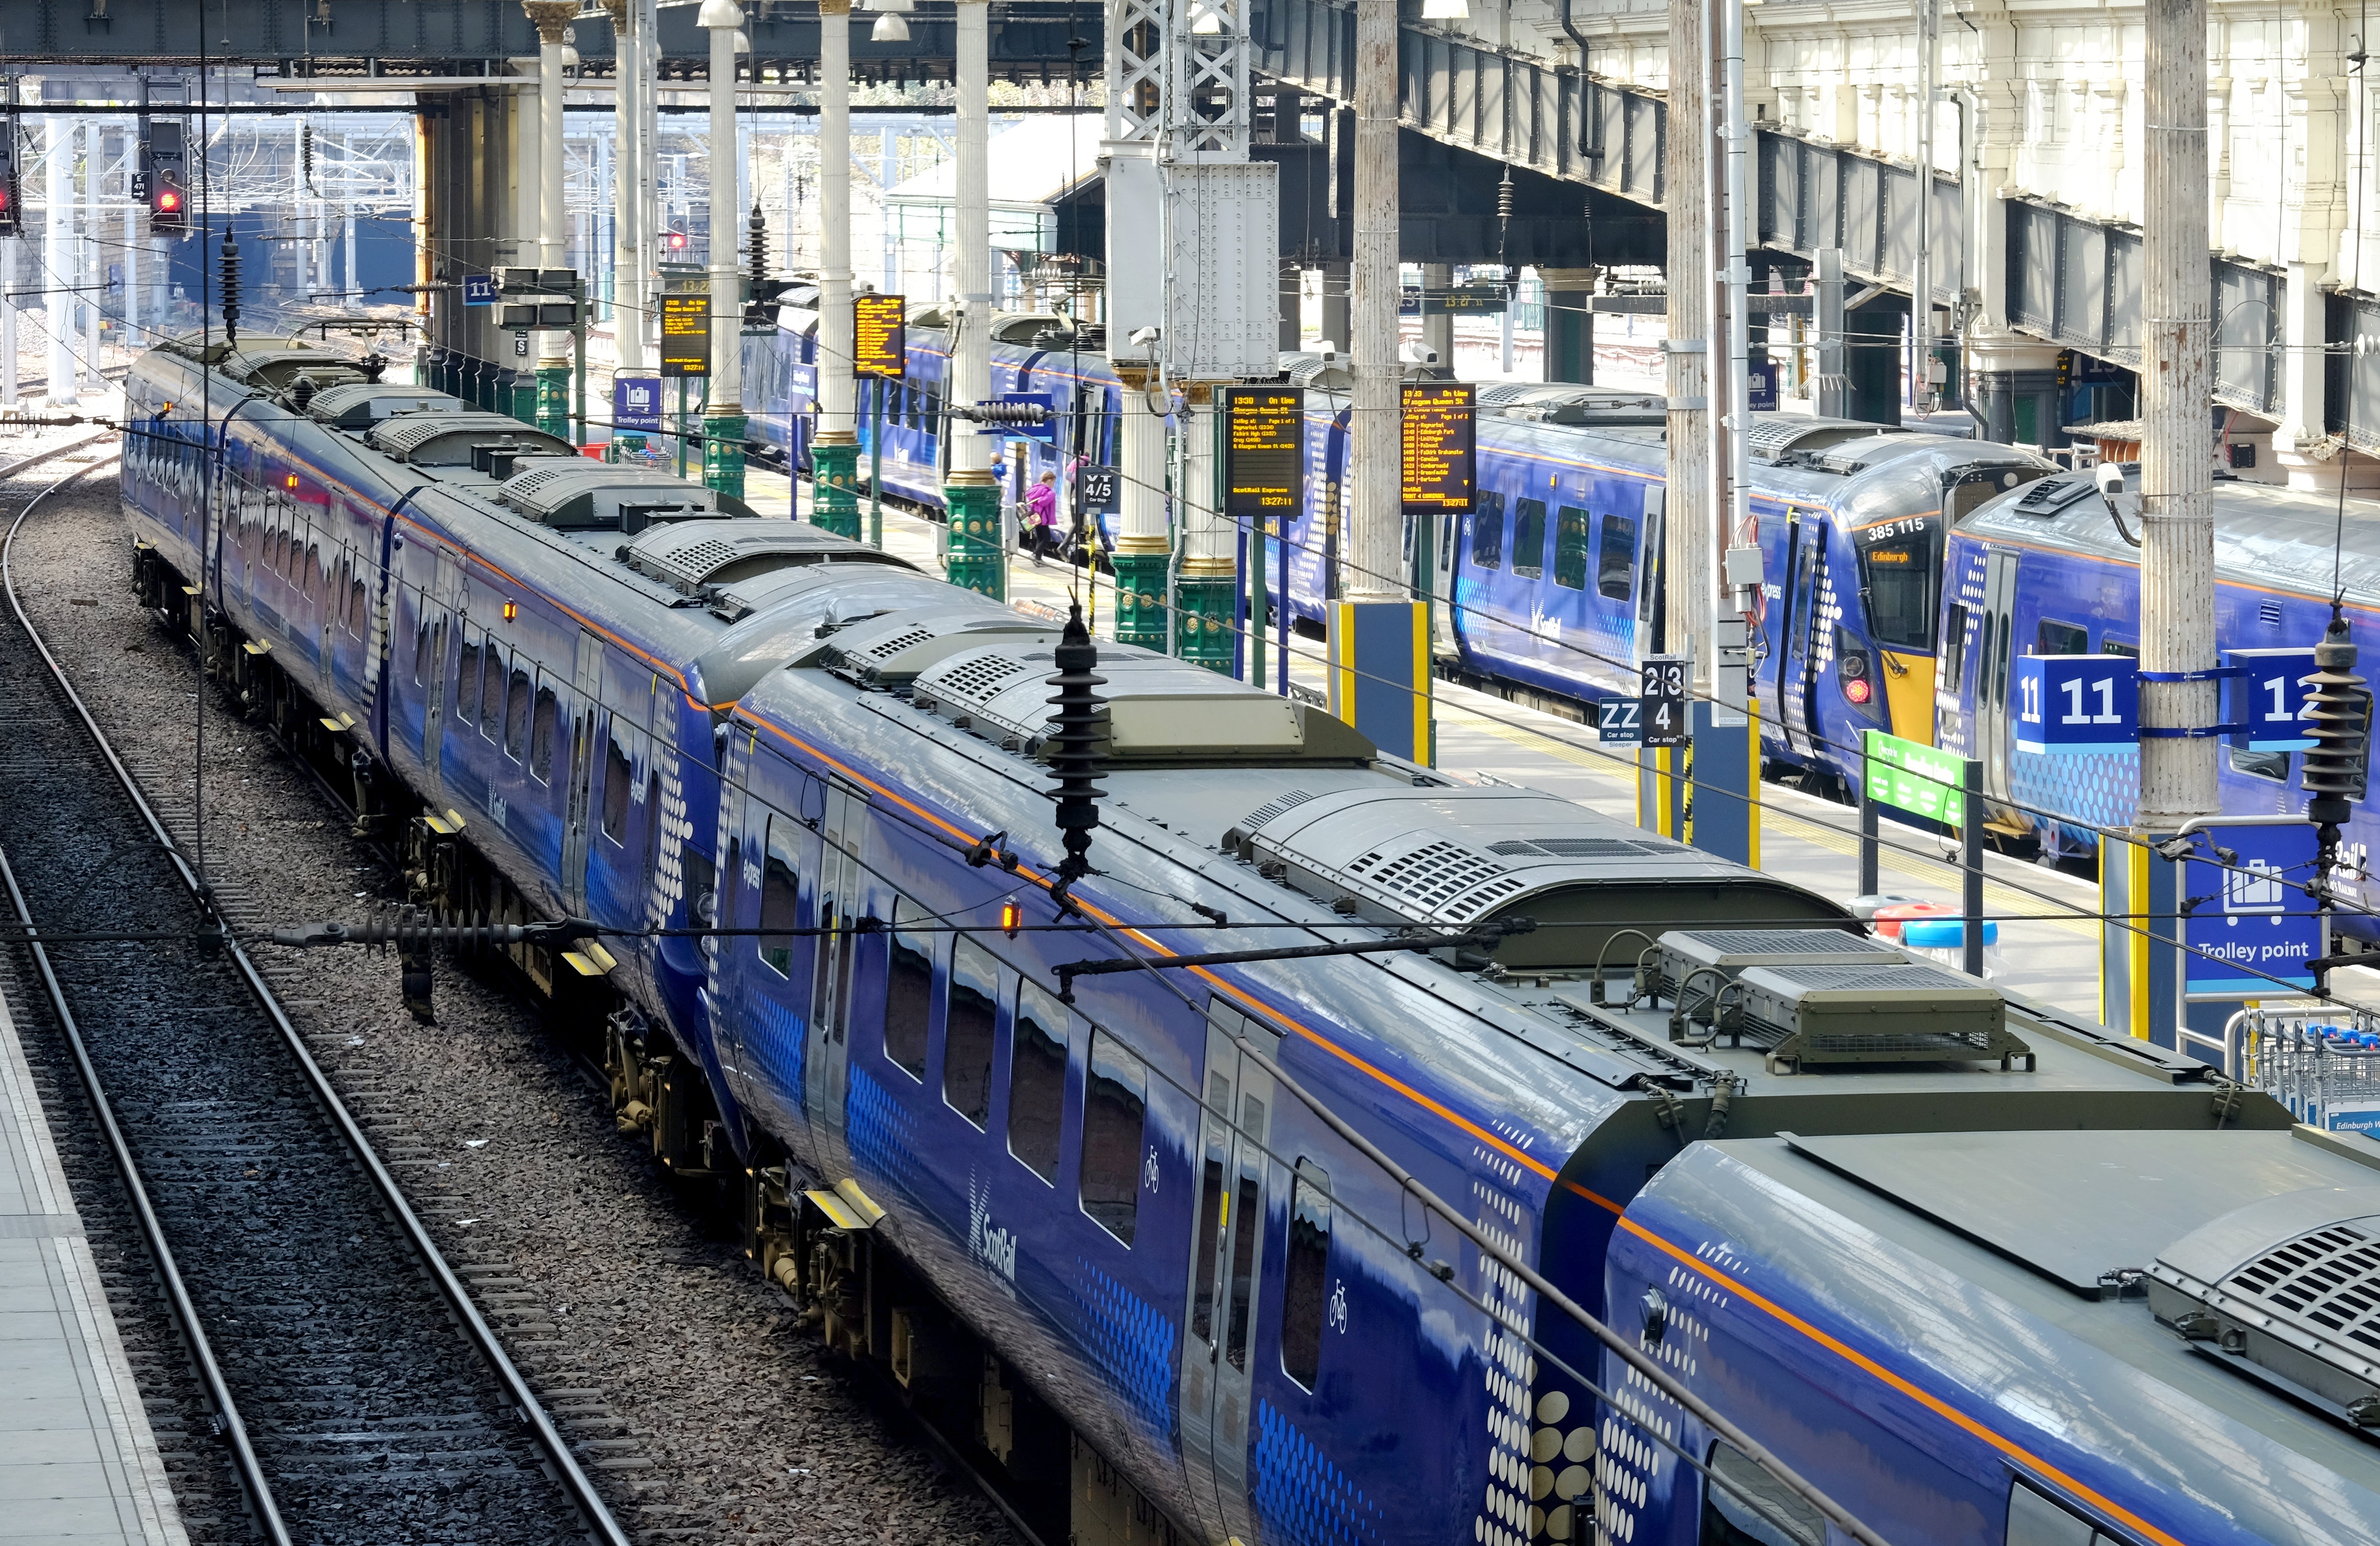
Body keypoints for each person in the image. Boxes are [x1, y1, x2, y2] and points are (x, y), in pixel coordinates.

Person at [1023, 469, 1059, 564]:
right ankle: (1035, 555)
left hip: (1036, 518)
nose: (1054, 485)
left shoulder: (1036, 489)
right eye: (1054, 482)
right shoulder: (1048, 492)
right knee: (1047, 538)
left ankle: (1038, 559)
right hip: (1043, 518)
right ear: (1049, 480)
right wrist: (1051, 495)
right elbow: (1043, 502)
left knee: (1040, 538)